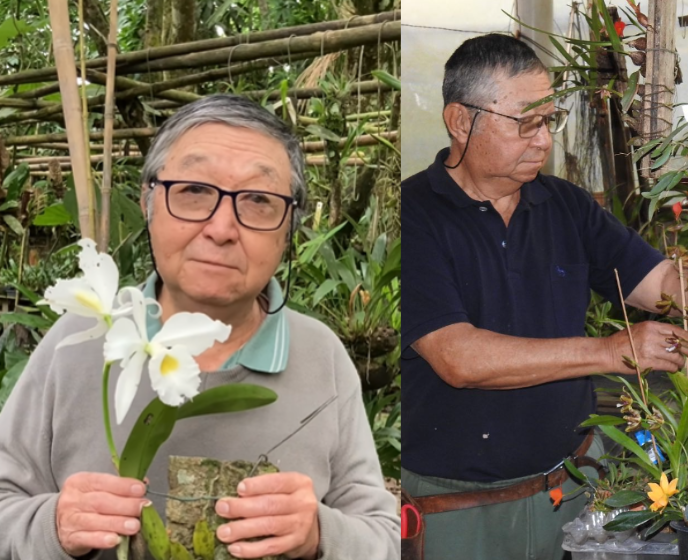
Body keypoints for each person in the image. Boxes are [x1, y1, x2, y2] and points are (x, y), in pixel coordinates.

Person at [400, 34, 688, 560]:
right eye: (525, 123)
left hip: (569, 490)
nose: (543, 141)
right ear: (461, 121)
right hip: (456, 509)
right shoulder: (415, 214)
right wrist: (610, 350)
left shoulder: (562, 204)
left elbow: (656, 283)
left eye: (549, 121)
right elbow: (459, 357)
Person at [0, 95, 400, 560]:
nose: (221, 227)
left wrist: (318, 534)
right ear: (149, 201)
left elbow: (384, 539)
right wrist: (52, 525)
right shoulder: (80, 341)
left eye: (258, 200)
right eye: (193, 190)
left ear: (290, 225)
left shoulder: (321, 356)